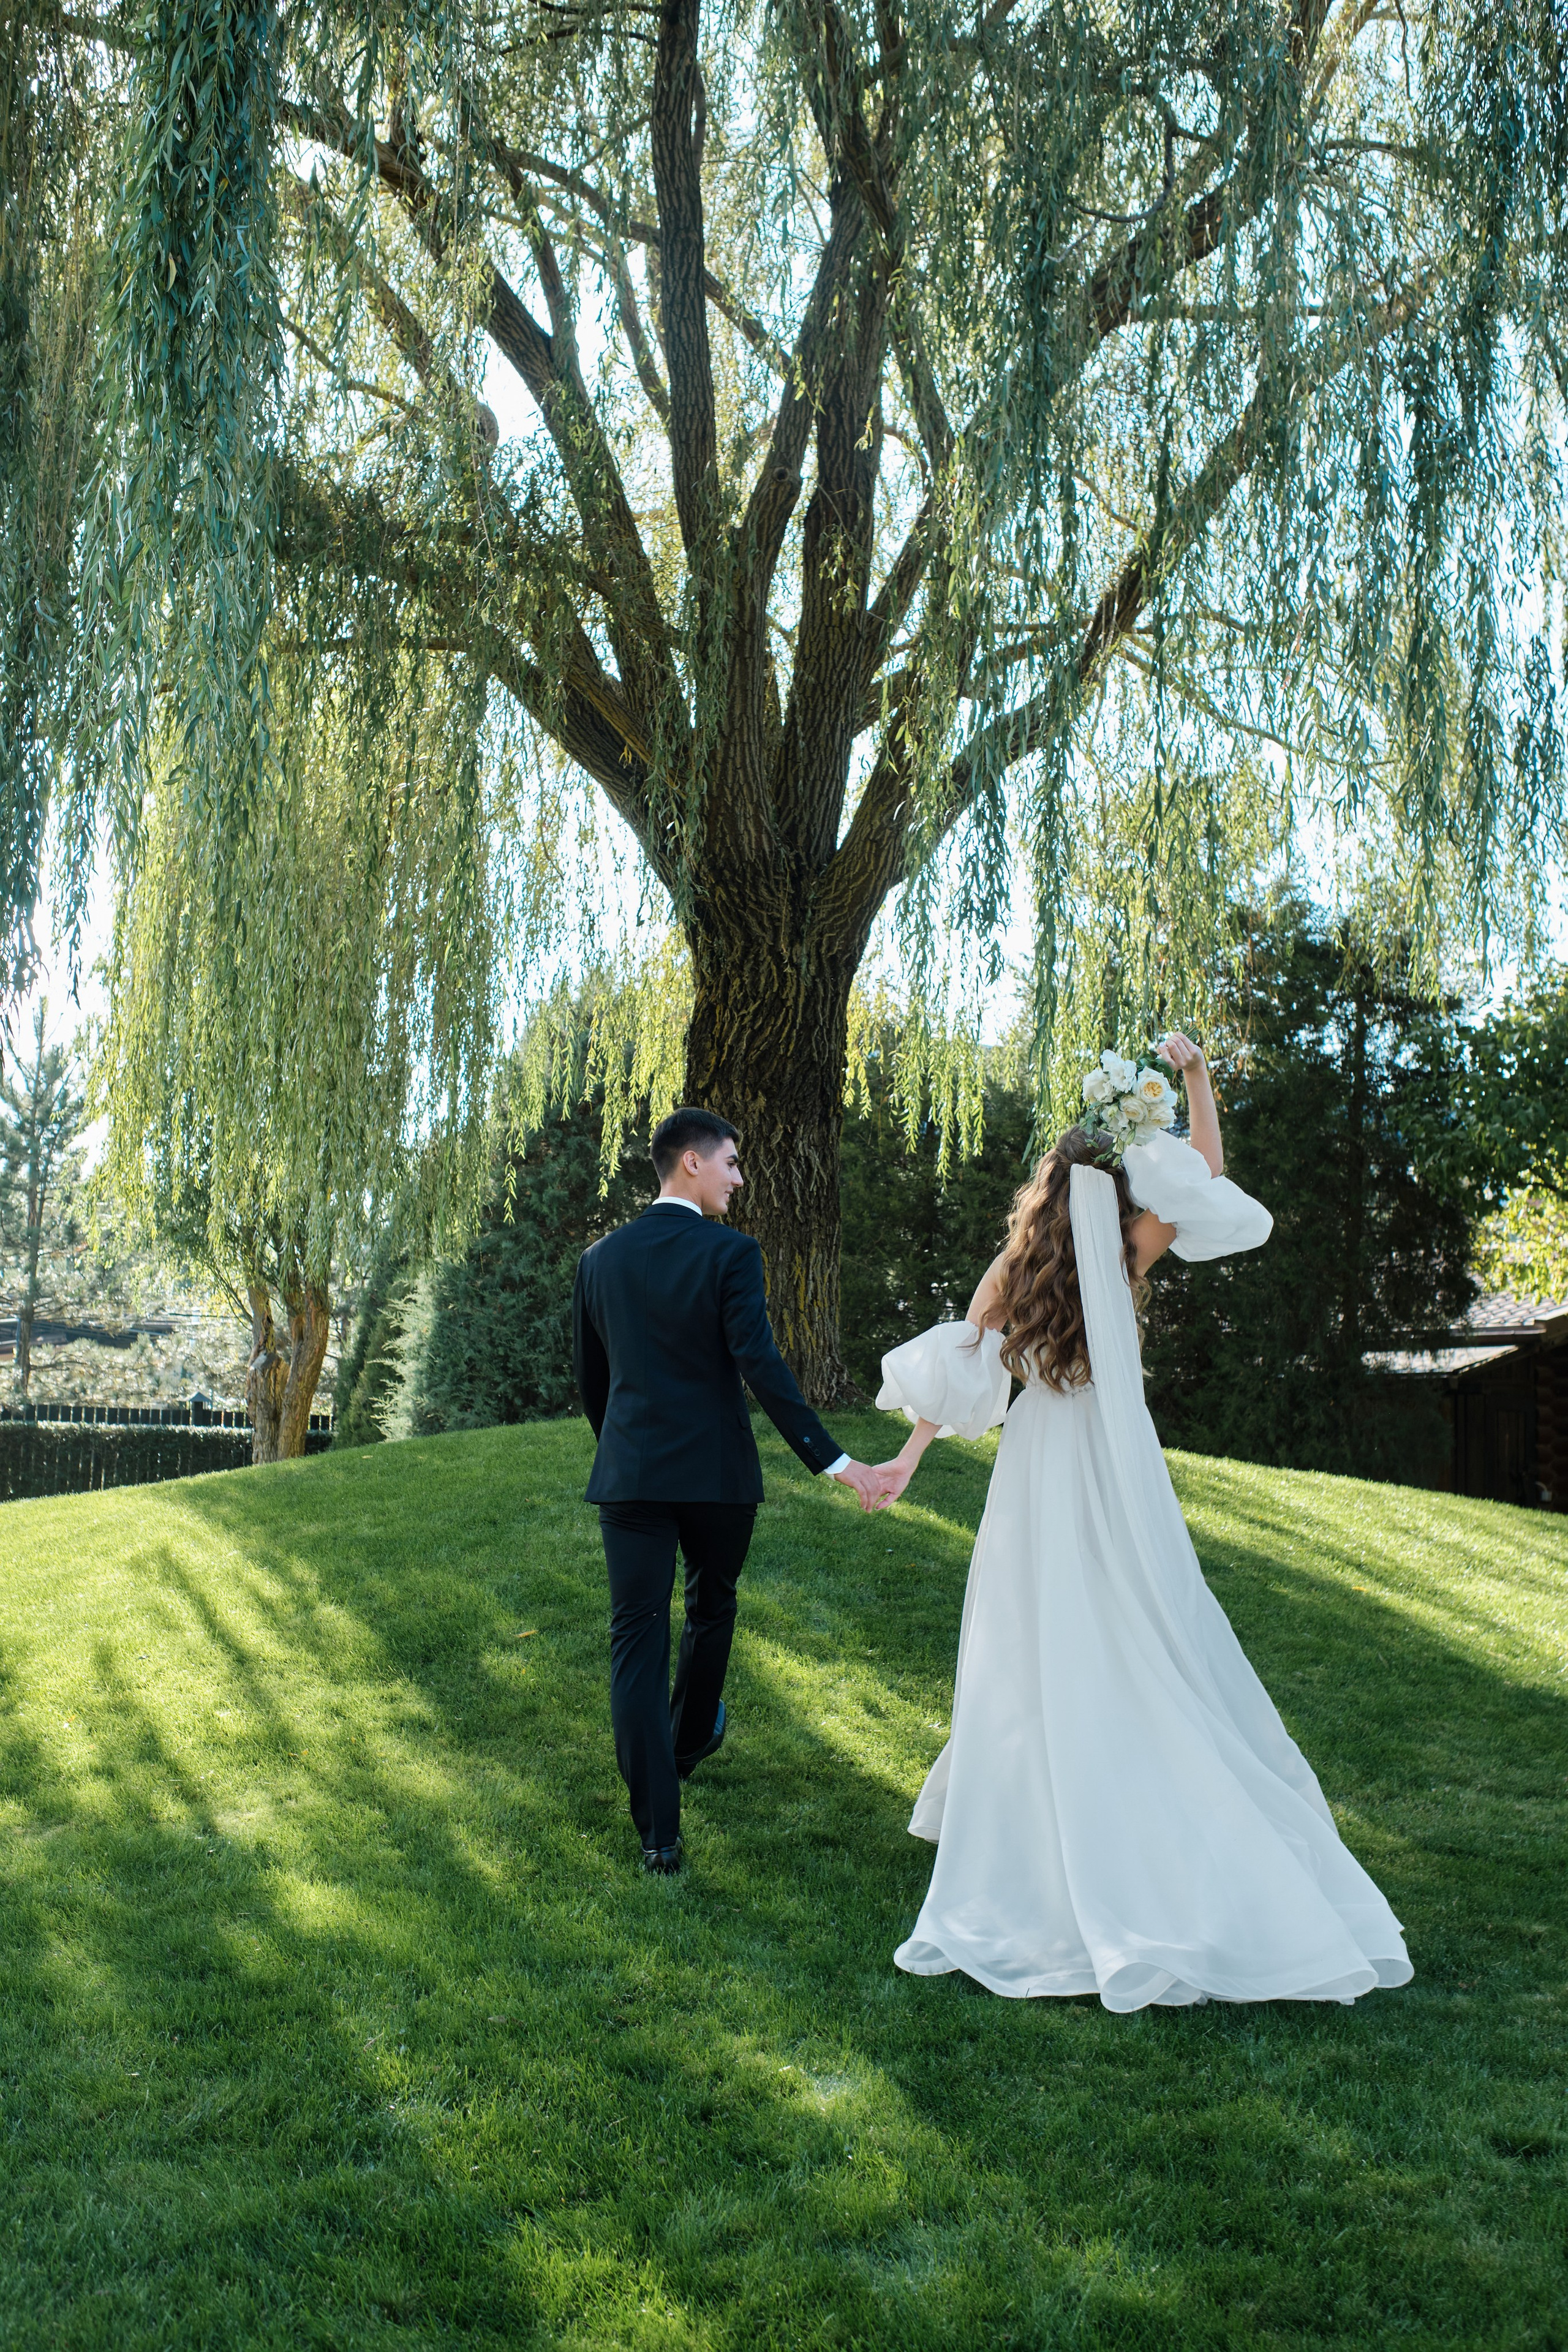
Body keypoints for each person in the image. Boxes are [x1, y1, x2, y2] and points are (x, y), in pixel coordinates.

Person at [872, 1034, 1414, 2010]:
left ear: (1044, 1189)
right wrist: (1196, 1081)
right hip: (1111, 1463)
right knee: (1135, 1624)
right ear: (1118, 1189)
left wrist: (906, 1463)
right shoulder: (1133, 1241)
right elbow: (1209, 1180)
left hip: (1035, 1475)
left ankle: (1038, 1809)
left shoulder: (1011, 1271)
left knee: (1033, 1639)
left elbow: (959, 1372)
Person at [573, 1105, 890, 1876]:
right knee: (711, 1607)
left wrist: (624, 1453)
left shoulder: (599, 1260)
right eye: (732, 1165)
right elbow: (763, 1366)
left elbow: (592, 1382)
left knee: (634, 1640)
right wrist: (835, 1462)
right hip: (716, 1479)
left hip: (632, 1479)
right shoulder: (730, 1254)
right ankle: (685, 1746)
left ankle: (658, 1835)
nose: (739, 1180)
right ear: (691, 1162)